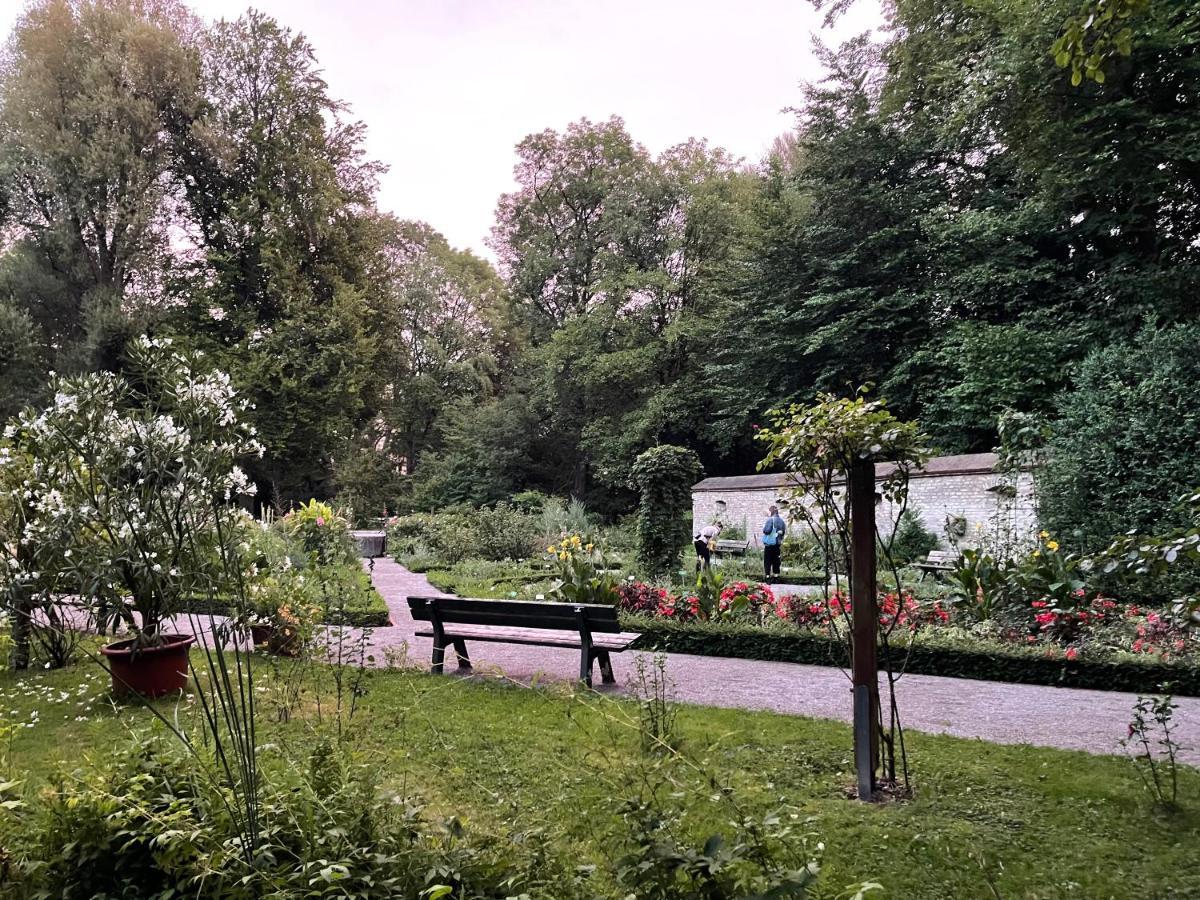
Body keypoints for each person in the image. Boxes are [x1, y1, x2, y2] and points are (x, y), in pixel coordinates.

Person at [761, 505, 786, 580]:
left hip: (769, 544)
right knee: (776, 560)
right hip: (777, 544)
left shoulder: (770, 520)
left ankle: (768, 576)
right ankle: (776, 576)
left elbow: (766, 531)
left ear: (771, 511)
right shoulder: (782, 521)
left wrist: (764, 528)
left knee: (768, 560)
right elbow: (783, 532)